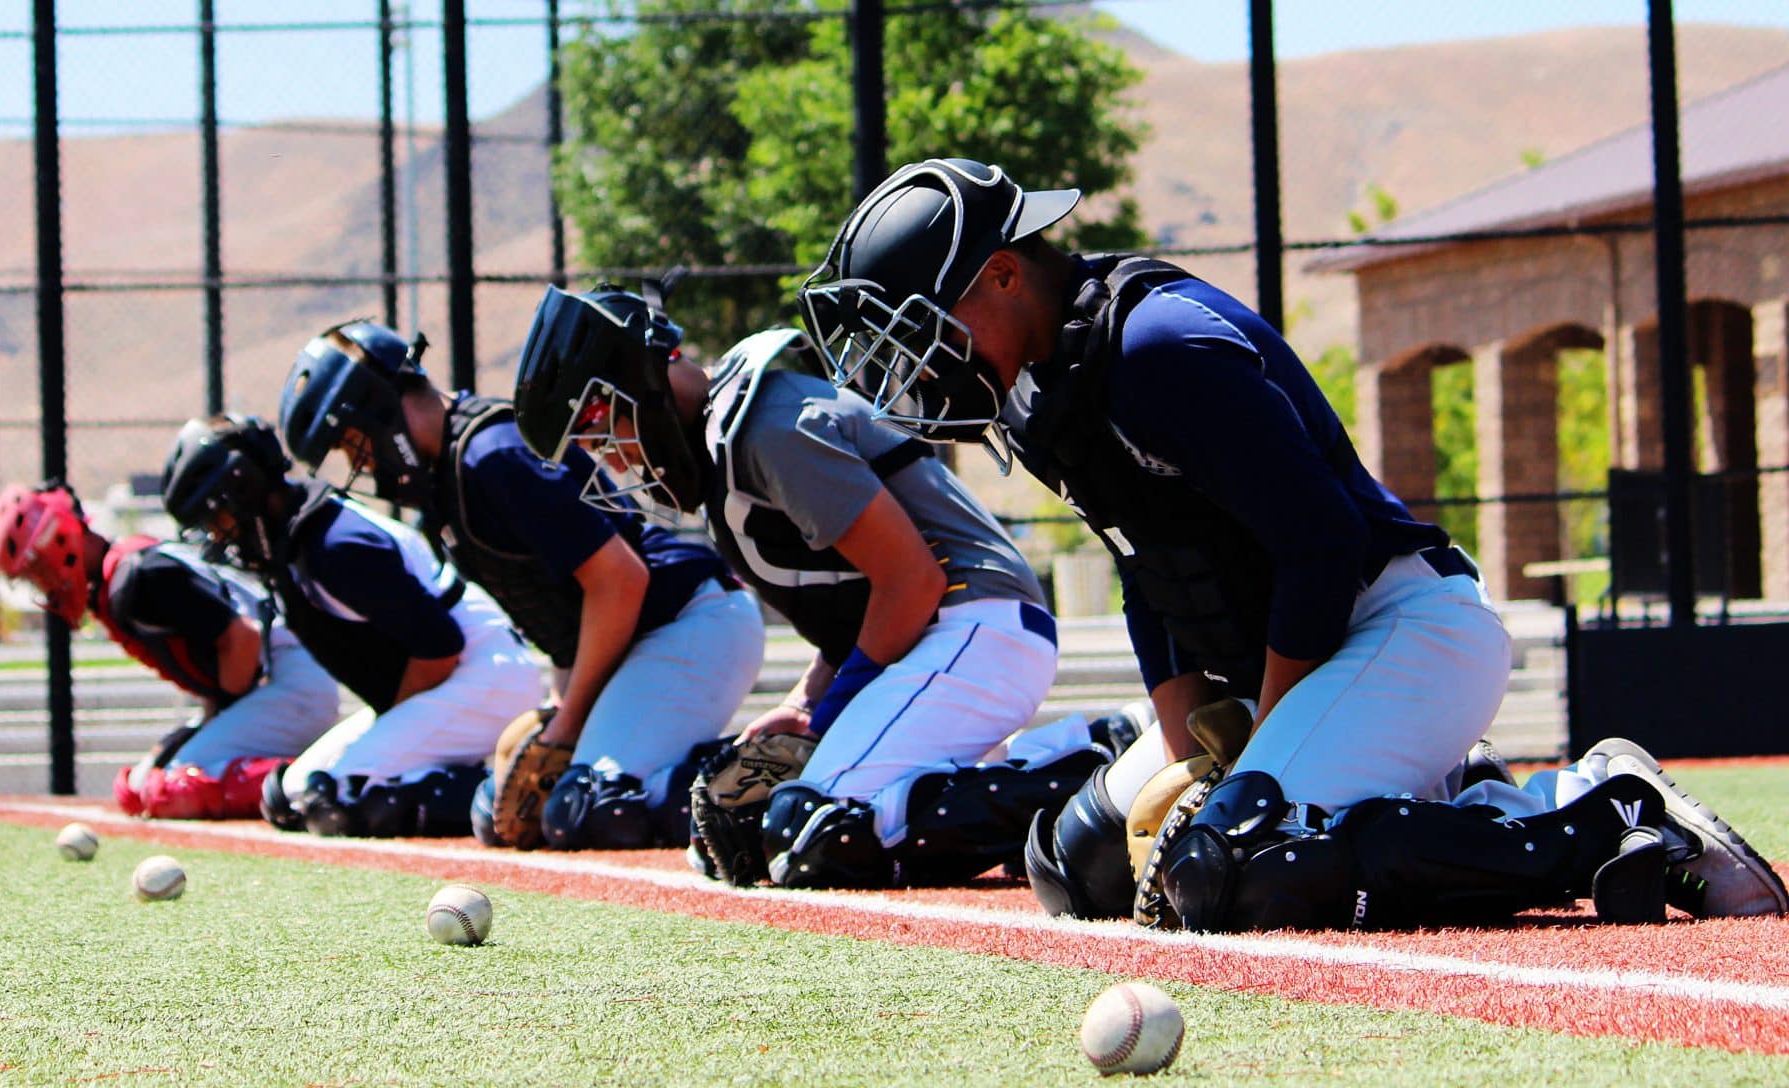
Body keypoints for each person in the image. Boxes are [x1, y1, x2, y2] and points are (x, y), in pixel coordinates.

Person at [796, 157, 1787, 927]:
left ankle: (1602, 820)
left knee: (1238, 870)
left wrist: (1251, 763)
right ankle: (1451, 787)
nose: (906, 367)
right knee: (1079, 863)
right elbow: (1155, 576)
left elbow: (1315, 547)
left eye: (917, 326)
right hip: (1304, 655)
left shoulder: (1157, 349)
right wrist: (1191, 746)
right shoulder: (1043, 387)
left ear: (1004, 275)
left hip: (1399, 626)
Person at [513, 283, 1127, 890]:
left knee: (813, 833)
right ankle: (1041, 772)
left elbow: (912, 582)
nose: (606, 455)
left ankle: (1092, 768)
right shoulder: (727, 435)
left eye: (595, 424)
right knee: (747, 842)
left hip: (976, 623)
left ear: (639, 374)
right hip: (941, 637)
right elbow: (856, 604)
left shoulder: (767, 427)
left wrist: (828, 716)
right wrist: (806, 706)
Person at [274, 319, 764, 850]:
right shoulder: (451, 478)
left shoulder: (492, 454)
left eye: (351, 441)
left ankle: (769, 769)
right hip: (641, 637)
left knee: (600, 811)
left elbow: (620, 579)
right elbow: (561, 616)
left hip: (689, 622)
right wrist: (560, 707)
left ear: (374, 407)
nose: (359, 461)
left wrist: (569, 722)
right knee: (508, 817)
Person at [159, 414, 546, 838]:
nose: (218, 536)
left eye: (218, 520)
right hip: (452, 675)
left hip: (483, 674)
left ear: (243, 492)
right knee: (288, 796)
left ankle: (521, 790)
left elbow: (440, 646)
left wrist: (394, 733)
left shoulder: (332, 548)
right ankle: (443, 771)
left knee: (342, 796)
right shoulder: (299, 534)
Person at [0, 480, 339, 819]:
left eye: (38, 571)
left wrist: (219, 715)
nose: (42, 585)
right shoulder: (124, 572)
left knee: (171, 788)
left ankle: (324, 778)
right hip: (274, 676)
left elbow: (241, 638)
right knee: (137, 786)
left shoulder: (137, 579)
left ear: (58, 542)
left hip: (291, 679)